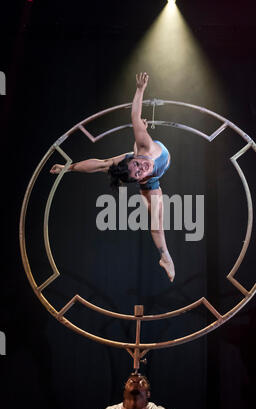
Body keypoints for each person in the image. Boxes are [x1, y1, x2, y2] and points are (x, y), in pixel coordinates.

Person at [50, 73, 175, 282]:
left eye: (137, 165)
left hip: (147, 149)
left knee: (115, 156)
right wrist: (67, 169)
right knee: (156, 221)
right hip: (152, 180)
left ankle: (74, 166)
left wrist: (140, 89)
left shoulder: (142, 149)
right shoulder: (145, 179)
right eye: (138, 172)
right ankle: (166, 258)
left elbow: (134, 116)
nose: (141, 167)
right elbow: (126, 171)